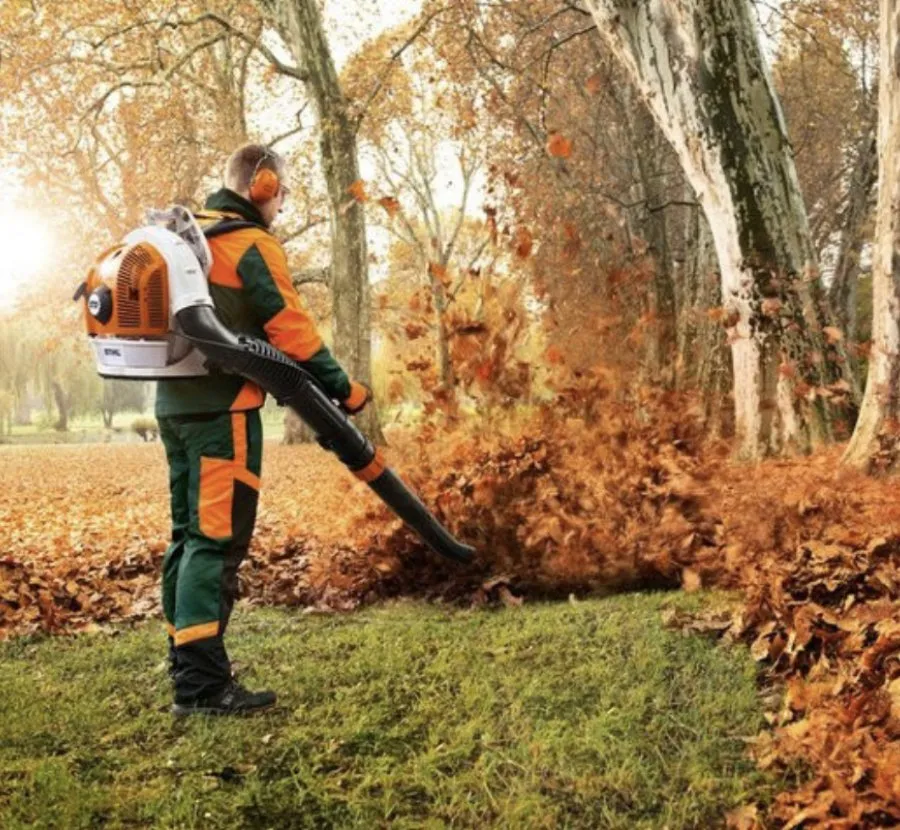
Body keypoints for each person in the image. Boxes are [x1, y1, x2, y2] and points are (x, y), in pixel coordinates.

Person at [156, 143, 370, 717]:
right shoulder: (249, 243)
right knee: (216, 542)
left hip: (173, 408)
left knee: (187, 536)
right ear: (265, 183)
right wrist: (346, 391)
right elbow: (291, 331)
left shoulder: (187, 234)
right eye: (284, 191)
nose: (283, 202)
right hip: (223, 412)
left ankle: (186, 662)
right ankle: (202, 687)